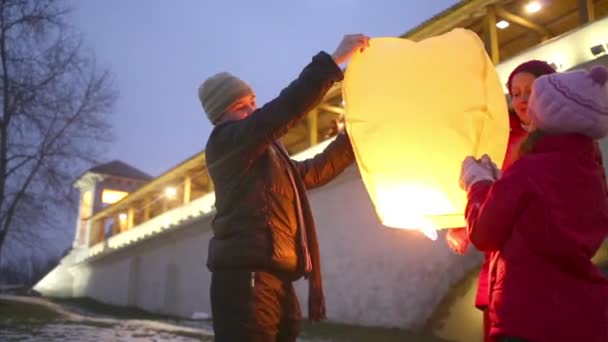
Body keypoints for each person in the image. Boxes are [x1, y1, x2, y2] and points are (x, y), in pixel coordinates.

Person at [198, 34, 370, 341]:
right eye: (241, 107)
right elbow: (280, 113)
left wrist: (351, 138)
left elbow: (312, 173)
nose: (252, 111)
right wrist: (331, 64)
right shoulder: (225, 144)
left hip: (277, 277)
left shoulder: (270, 156)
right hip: (244, 280)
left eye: (253, 102)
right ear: (220, 118)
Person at [459, 66, 608, 342]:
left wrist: (477, 184)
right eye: (516, 93)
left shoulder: (530, 167)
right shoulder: (590, 169)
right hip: (583, 313)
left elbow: (483, 232)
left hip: (526, 315)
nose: (525, 103)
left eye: (533, 95)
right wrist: (498, 188)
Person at [445, 60, 556, 341]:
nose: (521, 99)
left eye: (529, 90)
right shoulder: (501, 137)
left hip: (548, 271)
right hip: (503, 268)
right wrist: (463, 222)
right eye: (515, 93)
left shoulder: (567, 141)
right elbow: (491, 194)